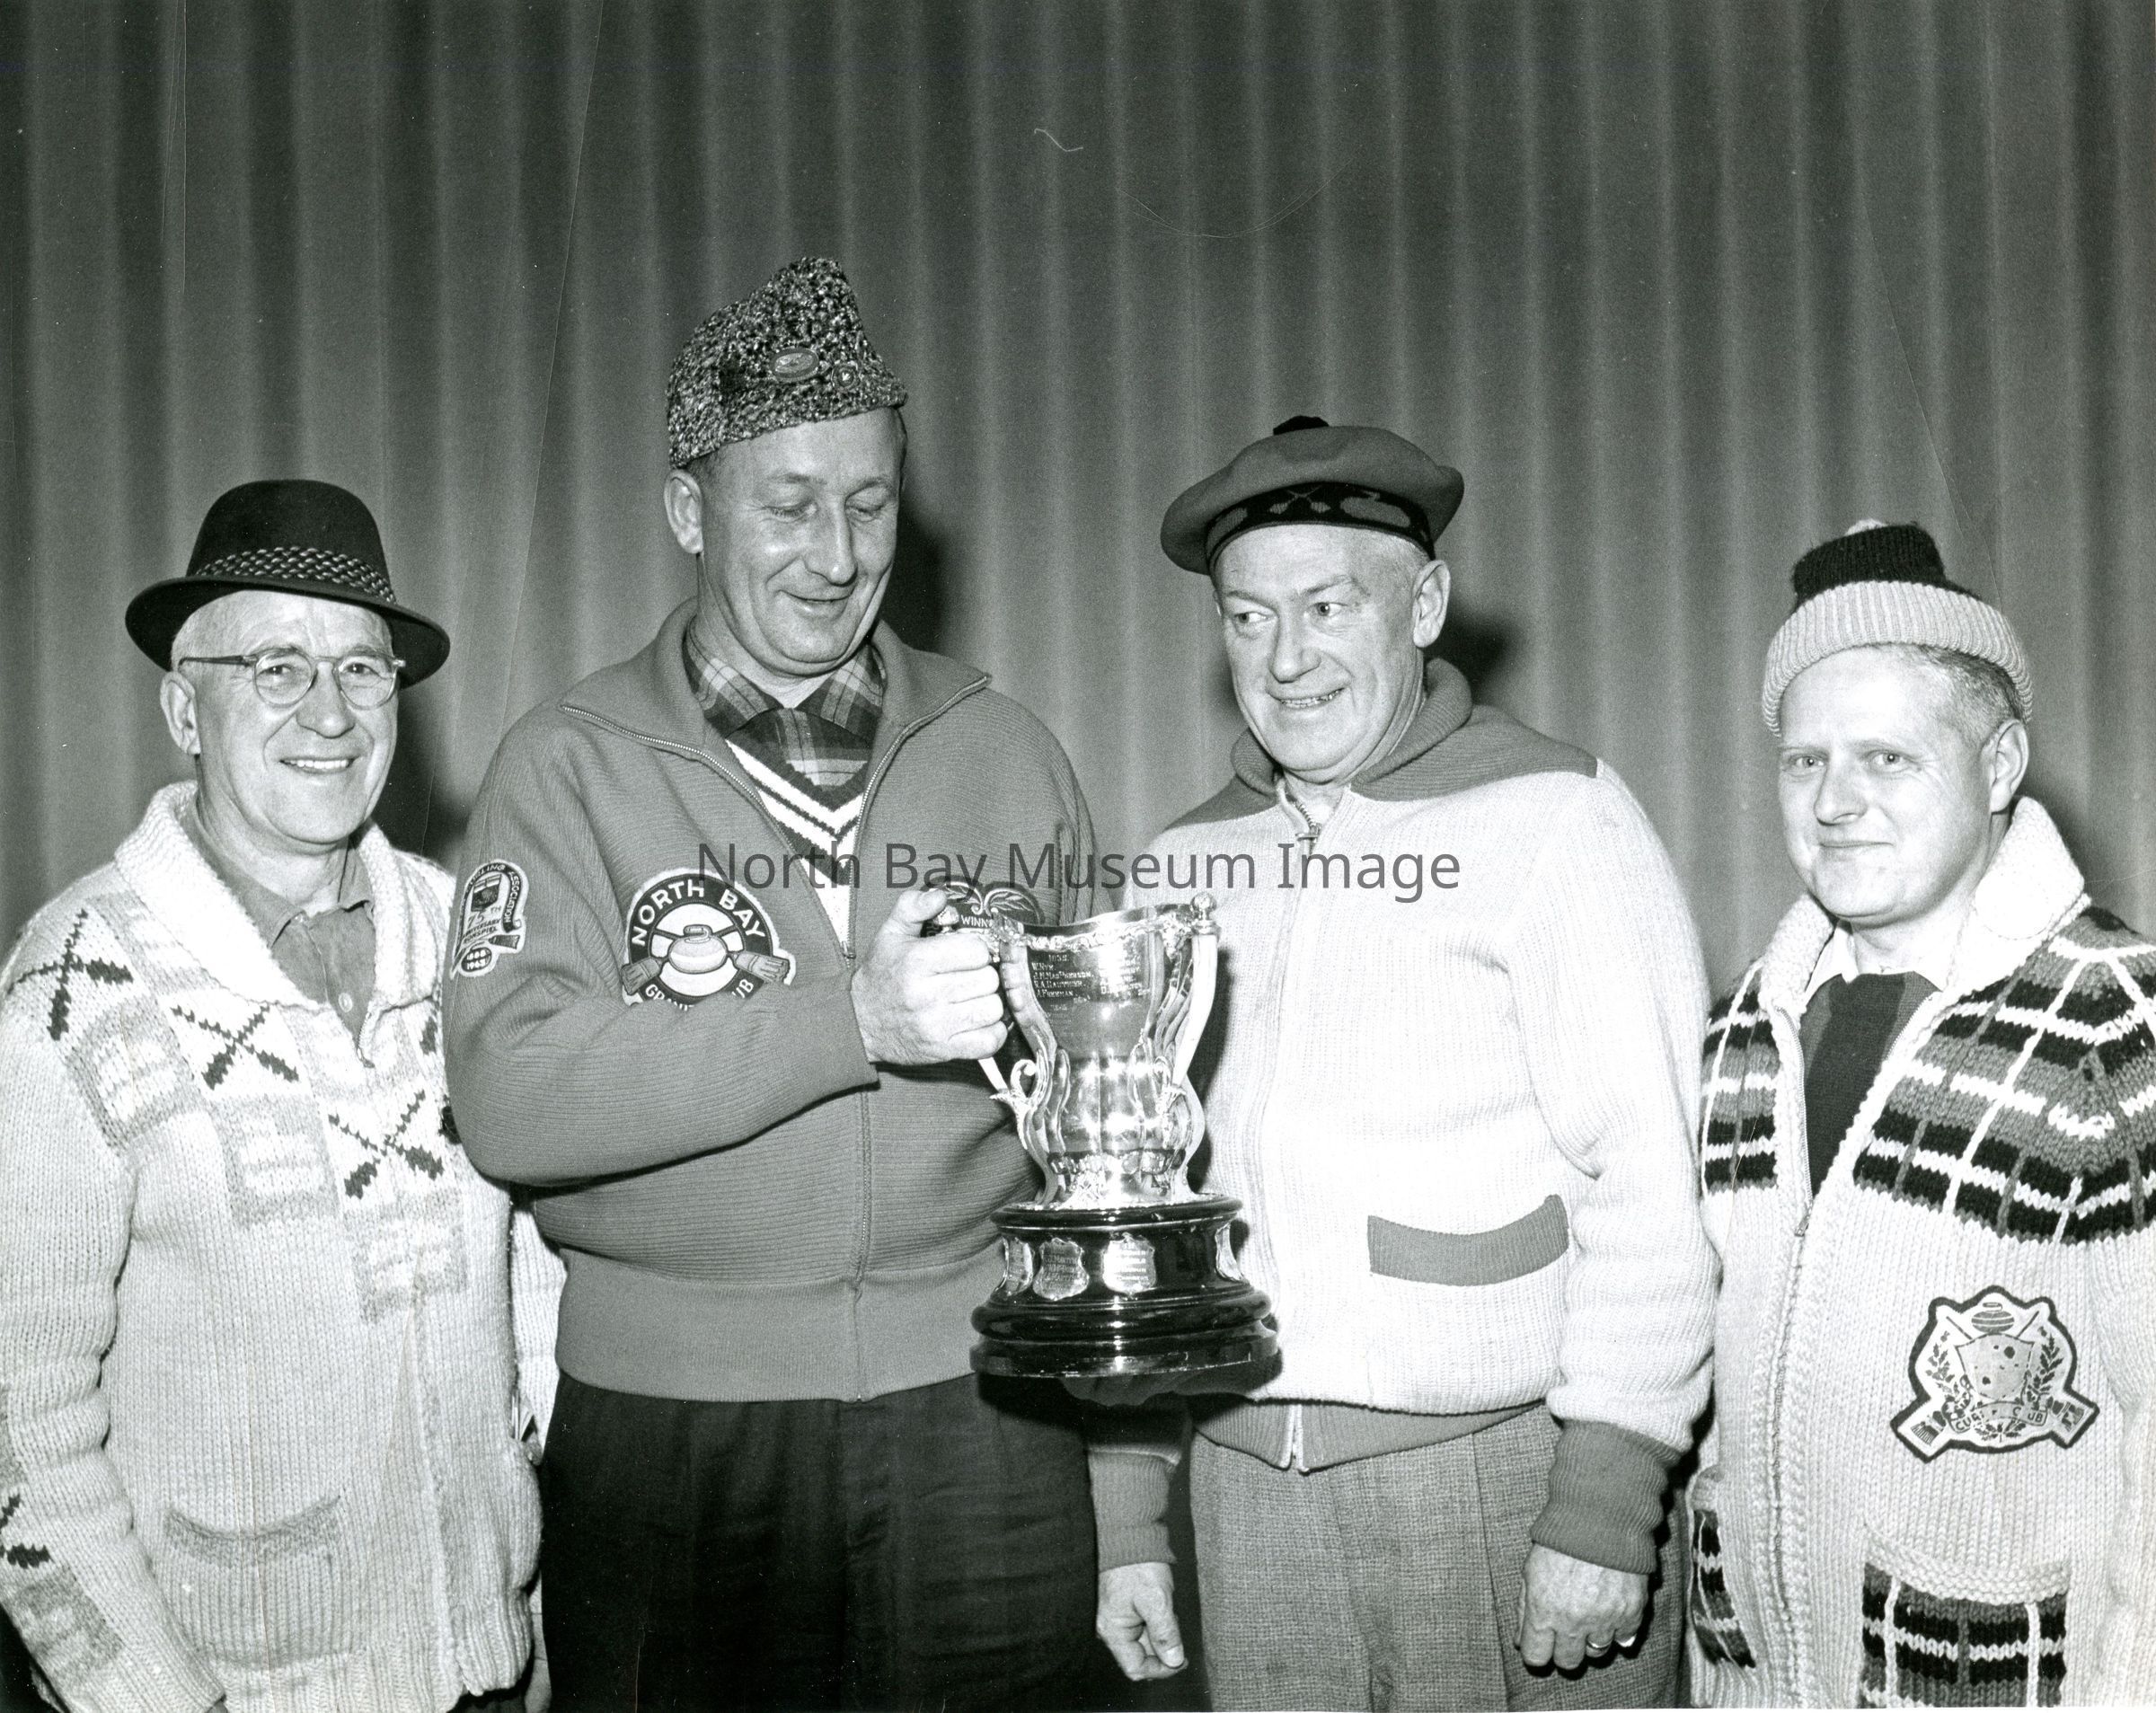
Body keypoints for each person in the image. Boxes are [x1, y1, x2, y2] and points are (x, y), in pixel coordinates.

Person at [442, 257, 1104, 1713]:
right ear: (690, 511)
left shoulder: (1006, 749)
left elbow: (1109, 1120)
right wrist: (849, 1021)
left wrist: (1127, 1499)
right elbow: (509, 1096)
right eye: (788, 506)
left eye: (870, 504)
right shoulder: (567, 764)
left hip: (986, 1410)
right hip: (677, 1433)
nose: (837, 554)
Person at [1089, 416, 1717, 1710]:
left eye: (1328, 607)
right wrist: (1130, 1516)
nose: (1286, 658)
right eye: (1248, 617)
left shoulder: (1559, 818)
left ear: (1423, 606)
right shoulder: (1180, 866)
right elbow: (1141, 1211)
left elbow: (1655, 1189)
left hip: (1501, 1477)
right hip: (1246, 1497)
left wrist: (1605, 1505)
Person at [0, 480, 558, 1712]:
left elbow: (536, 1283)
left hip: (487, 1674)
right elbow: (18, 1426)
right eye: (275, 668)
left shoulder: (468, 938)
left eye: (362, 670)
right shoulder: (71, 987)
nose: (330, 712)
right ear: (182, 710)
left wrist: (528, 1606)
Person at [1685, 521, 2156, 1706]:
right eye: (1804, 761)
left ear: (1999, 767)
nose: (1834, 802)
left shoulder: (2119, 1023)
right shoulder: (1737, 1028)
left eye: (1887, 759)